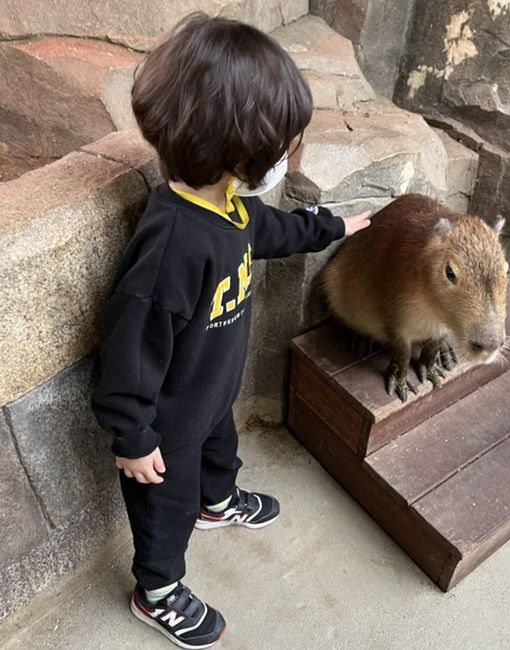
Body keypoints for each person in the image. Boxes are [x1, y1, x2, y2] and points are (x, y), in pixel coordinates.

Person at [91, 13, 371, 649]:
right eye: (279, 146)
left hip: (210, 392)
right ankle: (156, 589)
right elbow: (128, 355)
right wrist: (133, 438)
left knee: (221, 450)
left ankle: (218, 501)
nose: (282, 159)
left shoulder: (228, 206)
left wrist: (335, 228)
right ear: (237, 152)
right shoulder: (171, 249)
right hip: (164, 426)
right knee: (166, 511)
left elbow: (270, 233)